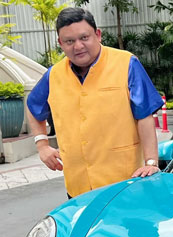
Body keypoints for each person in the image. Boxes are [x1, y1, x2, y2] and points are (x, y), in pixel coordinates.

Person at [26, 7, 164, 198]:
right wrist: (41, 144)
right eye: (69, 41)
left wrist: (151, 162)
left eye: (84, 37)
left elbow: (144, 115)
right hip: (78, 187)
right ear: (60, 43)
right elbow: (32, 106)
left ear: (97, 35)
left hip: (126, 183)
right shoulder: (54, 75)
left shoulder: (126, 64)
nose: (78, 46)